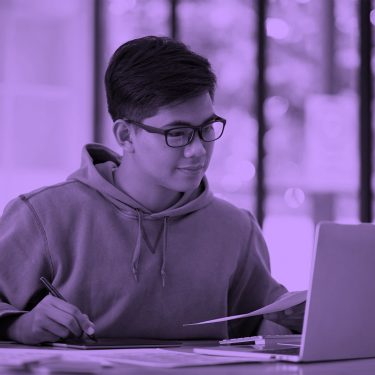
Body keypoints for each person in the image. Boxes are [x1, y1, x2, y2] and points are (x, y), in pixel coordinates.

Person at [0, 36, 304, 345]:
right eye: (178, 134)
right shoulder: (42, 216)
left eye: (207, 129)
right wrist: (18, 326)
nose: (198, 150)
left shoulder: (236, 228)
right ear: (125, 135)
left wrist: (291, 323)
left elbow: (262, 328)